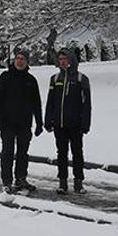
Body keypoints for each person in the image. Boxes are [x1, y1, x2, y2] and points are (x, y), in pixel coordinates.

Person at [0, 49, 43, 194]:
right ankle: (7, 181)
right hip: (7, 123)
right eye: (18, 58)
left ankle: (21, 178)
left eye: (23, 59)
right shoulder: (5, 77)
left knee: (23, 153)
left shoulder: (31, 80)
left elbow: (36, 103)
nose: (20, 61)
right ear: (14, 60)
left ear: (27, 62)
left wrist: (39, 123)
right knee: (7, 152)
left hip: (24, 123)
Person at [44, 49, 92, 194]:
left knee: (77, 153)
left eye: (65, 58)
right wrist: (48, 120)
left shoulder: (81, 78)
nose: (62, 61)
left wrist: (85, 123)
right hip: (60, 124)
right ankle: (62, 182)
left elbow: (87, 104)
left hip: (75, 124)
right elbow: (50, 101)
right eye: (60, 59)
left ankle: (78, 182)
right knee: (61, 153)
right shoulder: (55, 78)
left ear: (71, 59)